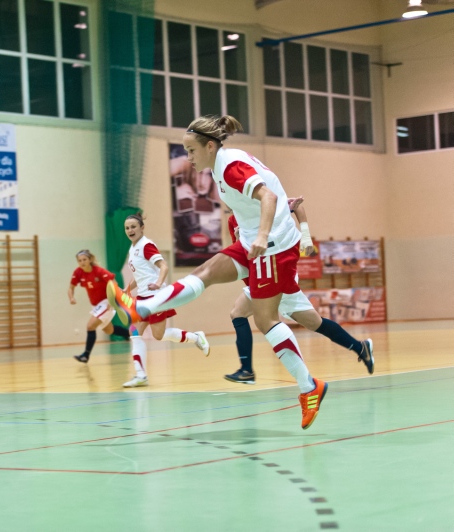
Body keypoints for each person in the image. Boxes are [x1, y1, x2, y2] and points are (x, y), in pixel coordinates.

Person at [107, 115, 372, 428]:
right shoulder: (221, 166)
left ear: (209, 146)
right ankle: (144, 307)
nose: (188, 157)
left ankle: (308, 387)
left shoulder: (230, 167)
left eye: (191, 151)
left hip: (270, 246)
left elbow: (269, 197)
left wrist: (265, 235)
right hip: (254, 242)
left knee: (264, 319)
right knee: (208, 271)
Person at [224, 197, 375, 384]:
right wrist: (239, 241)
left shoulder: (262, 204)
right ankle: (361, 348)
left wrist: (305, 236)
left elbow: (296, 207)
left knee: (238, 313)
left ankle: (249, 370)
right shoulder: (233, 221)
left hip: (276, 272)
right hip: (261, 275)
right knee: (315, 323)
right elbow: (244, 257)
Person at [118, 214, 210, 388]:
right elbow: (141, 275)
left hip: (156, 297)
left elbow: (164, 266)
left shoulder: (147, 245)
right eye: (127, 228)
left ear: (142, 227)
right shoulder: (132, 248)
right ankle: (141, 376)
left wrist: (158, 283)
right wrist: (127, 289)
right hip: (143, 297)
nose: (130, 230)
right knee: (134, 333)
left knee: (158, 336)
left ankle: (195, 337)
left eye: (133, 227)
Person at [68, 249, 130, 363]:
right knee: (109, 330)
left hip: (106, 302)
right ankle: (129, 334)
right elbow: (71, 287)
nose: (82, 262)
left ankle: (85, 355)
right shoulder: (78, 272)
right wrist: (71, 297)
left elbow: (113, 284)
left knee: (90, 326)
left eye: (84, 259)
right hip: (96, 305)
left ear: (90, 259)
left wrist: (112, 301)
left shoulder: (99, 271)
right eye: (79, 260)